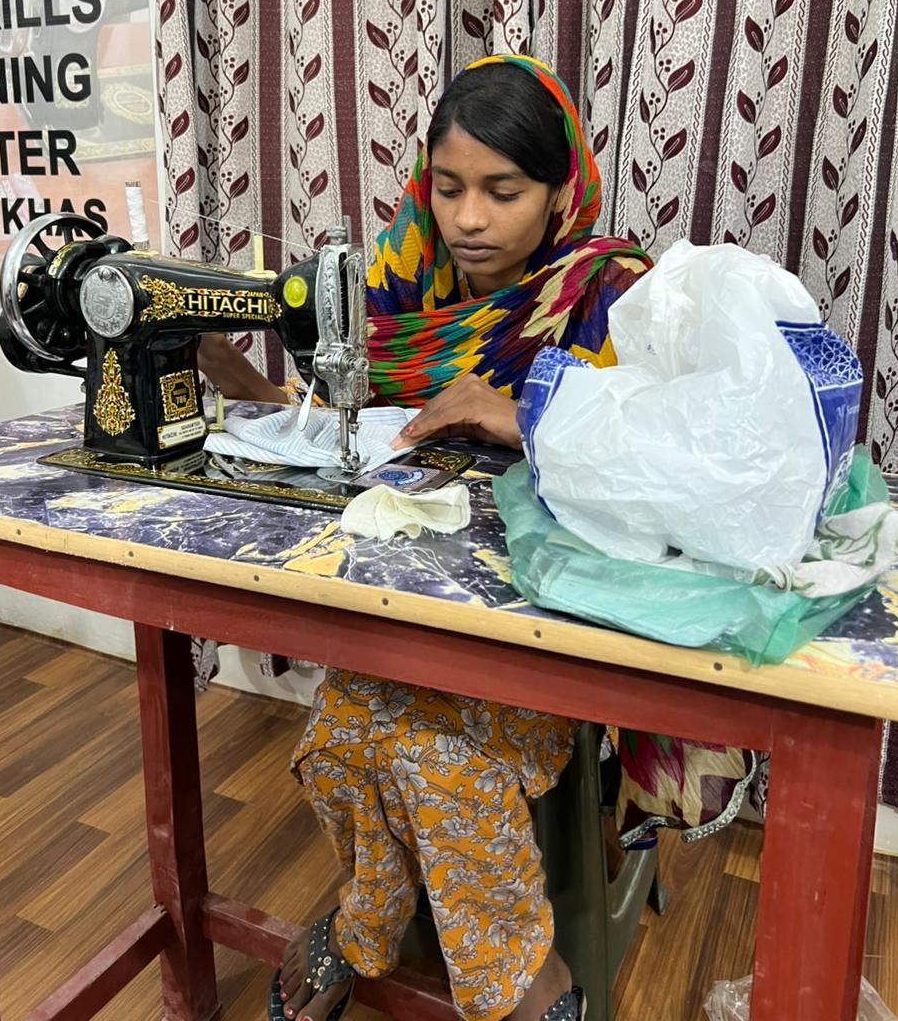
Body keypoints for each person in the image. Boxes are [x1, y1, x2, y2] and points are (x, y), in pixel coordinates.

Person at [200, 55, 753, 1021]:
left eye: (504, 191)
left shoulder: (612, 295)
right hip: (406, 604)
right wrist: (243, 389)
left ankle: (530, 988)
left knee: (435, 761)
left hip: (553, 620)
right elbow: (337, 422)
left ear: (559, 189)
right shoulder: (397, 285)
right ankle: (374, 915)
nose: (467, 219)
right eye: (448, 188)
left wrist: (527, 413)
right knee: (335, 739)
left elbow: (684, 468)